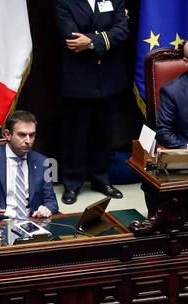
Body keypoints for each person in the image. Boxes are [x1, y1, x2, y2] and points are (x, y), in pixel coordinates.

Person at [54, 0, 129, 205]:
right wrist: (105, 39)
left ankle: (101, 179)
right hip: (78, 80)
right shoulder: (64, 2)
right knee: (75, 135)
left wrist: (92, 41)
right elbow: (72, 39)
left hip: (109, 78)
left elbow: (122, 31)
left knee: (104, 133)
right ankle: (72, 183)